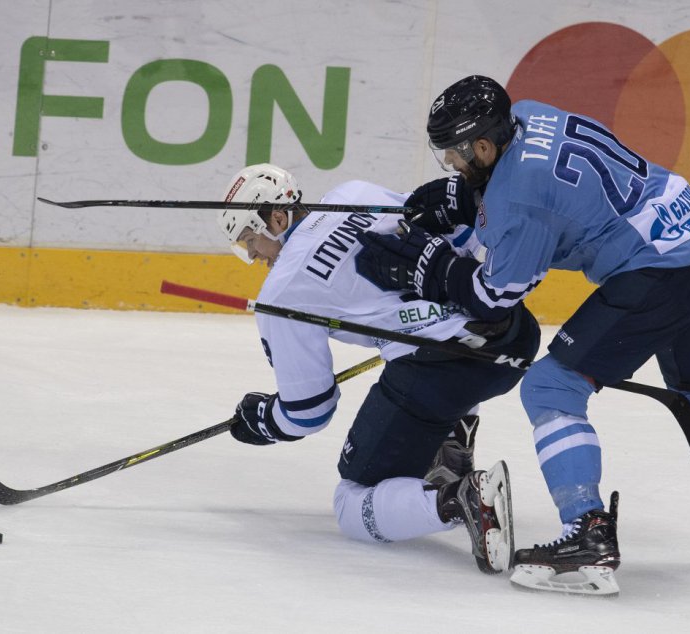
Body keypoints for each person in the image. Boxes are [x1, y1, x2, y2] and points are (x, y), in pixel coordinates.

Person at [355, 75, 690, 595]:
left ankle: (587, 536)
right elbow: (550, 191)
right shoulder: (531, 112)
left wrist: (426, 268)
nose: (450, 162)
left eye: (454, 153)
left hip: (658, 272)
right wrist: (462, 198)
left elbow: (493, 295)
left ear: (483, 144)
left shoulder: (519, 201)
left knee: (551, 387)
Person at [217, 163, 541, 574]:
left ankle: (462, 498)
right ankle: (451, 448)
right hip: (513, 335)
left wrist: (263, 420)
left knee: (351, 500)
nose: (251, 254)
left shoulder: (281, 292)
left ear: (277, 219)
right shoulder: (350, 193)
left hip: (442, 373)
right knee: (423, 368)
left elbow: (308, 412)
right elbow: (454, 233)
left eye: (249, 240)